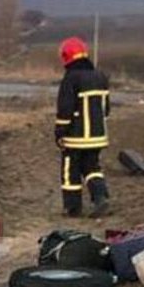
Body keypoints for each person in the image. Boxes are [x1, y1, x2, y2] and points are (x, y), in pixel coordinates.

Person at [55, 37, 111, 217]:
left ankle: (73, 208)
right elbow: (106, 108)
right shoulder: (101, 76)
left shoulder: (71, 78)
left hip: (76, 137)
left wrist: (59, 132)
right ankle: (100, 196)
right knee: (92, 167)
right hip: (98, 136)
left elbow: (65, 108)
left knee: (70, 169)